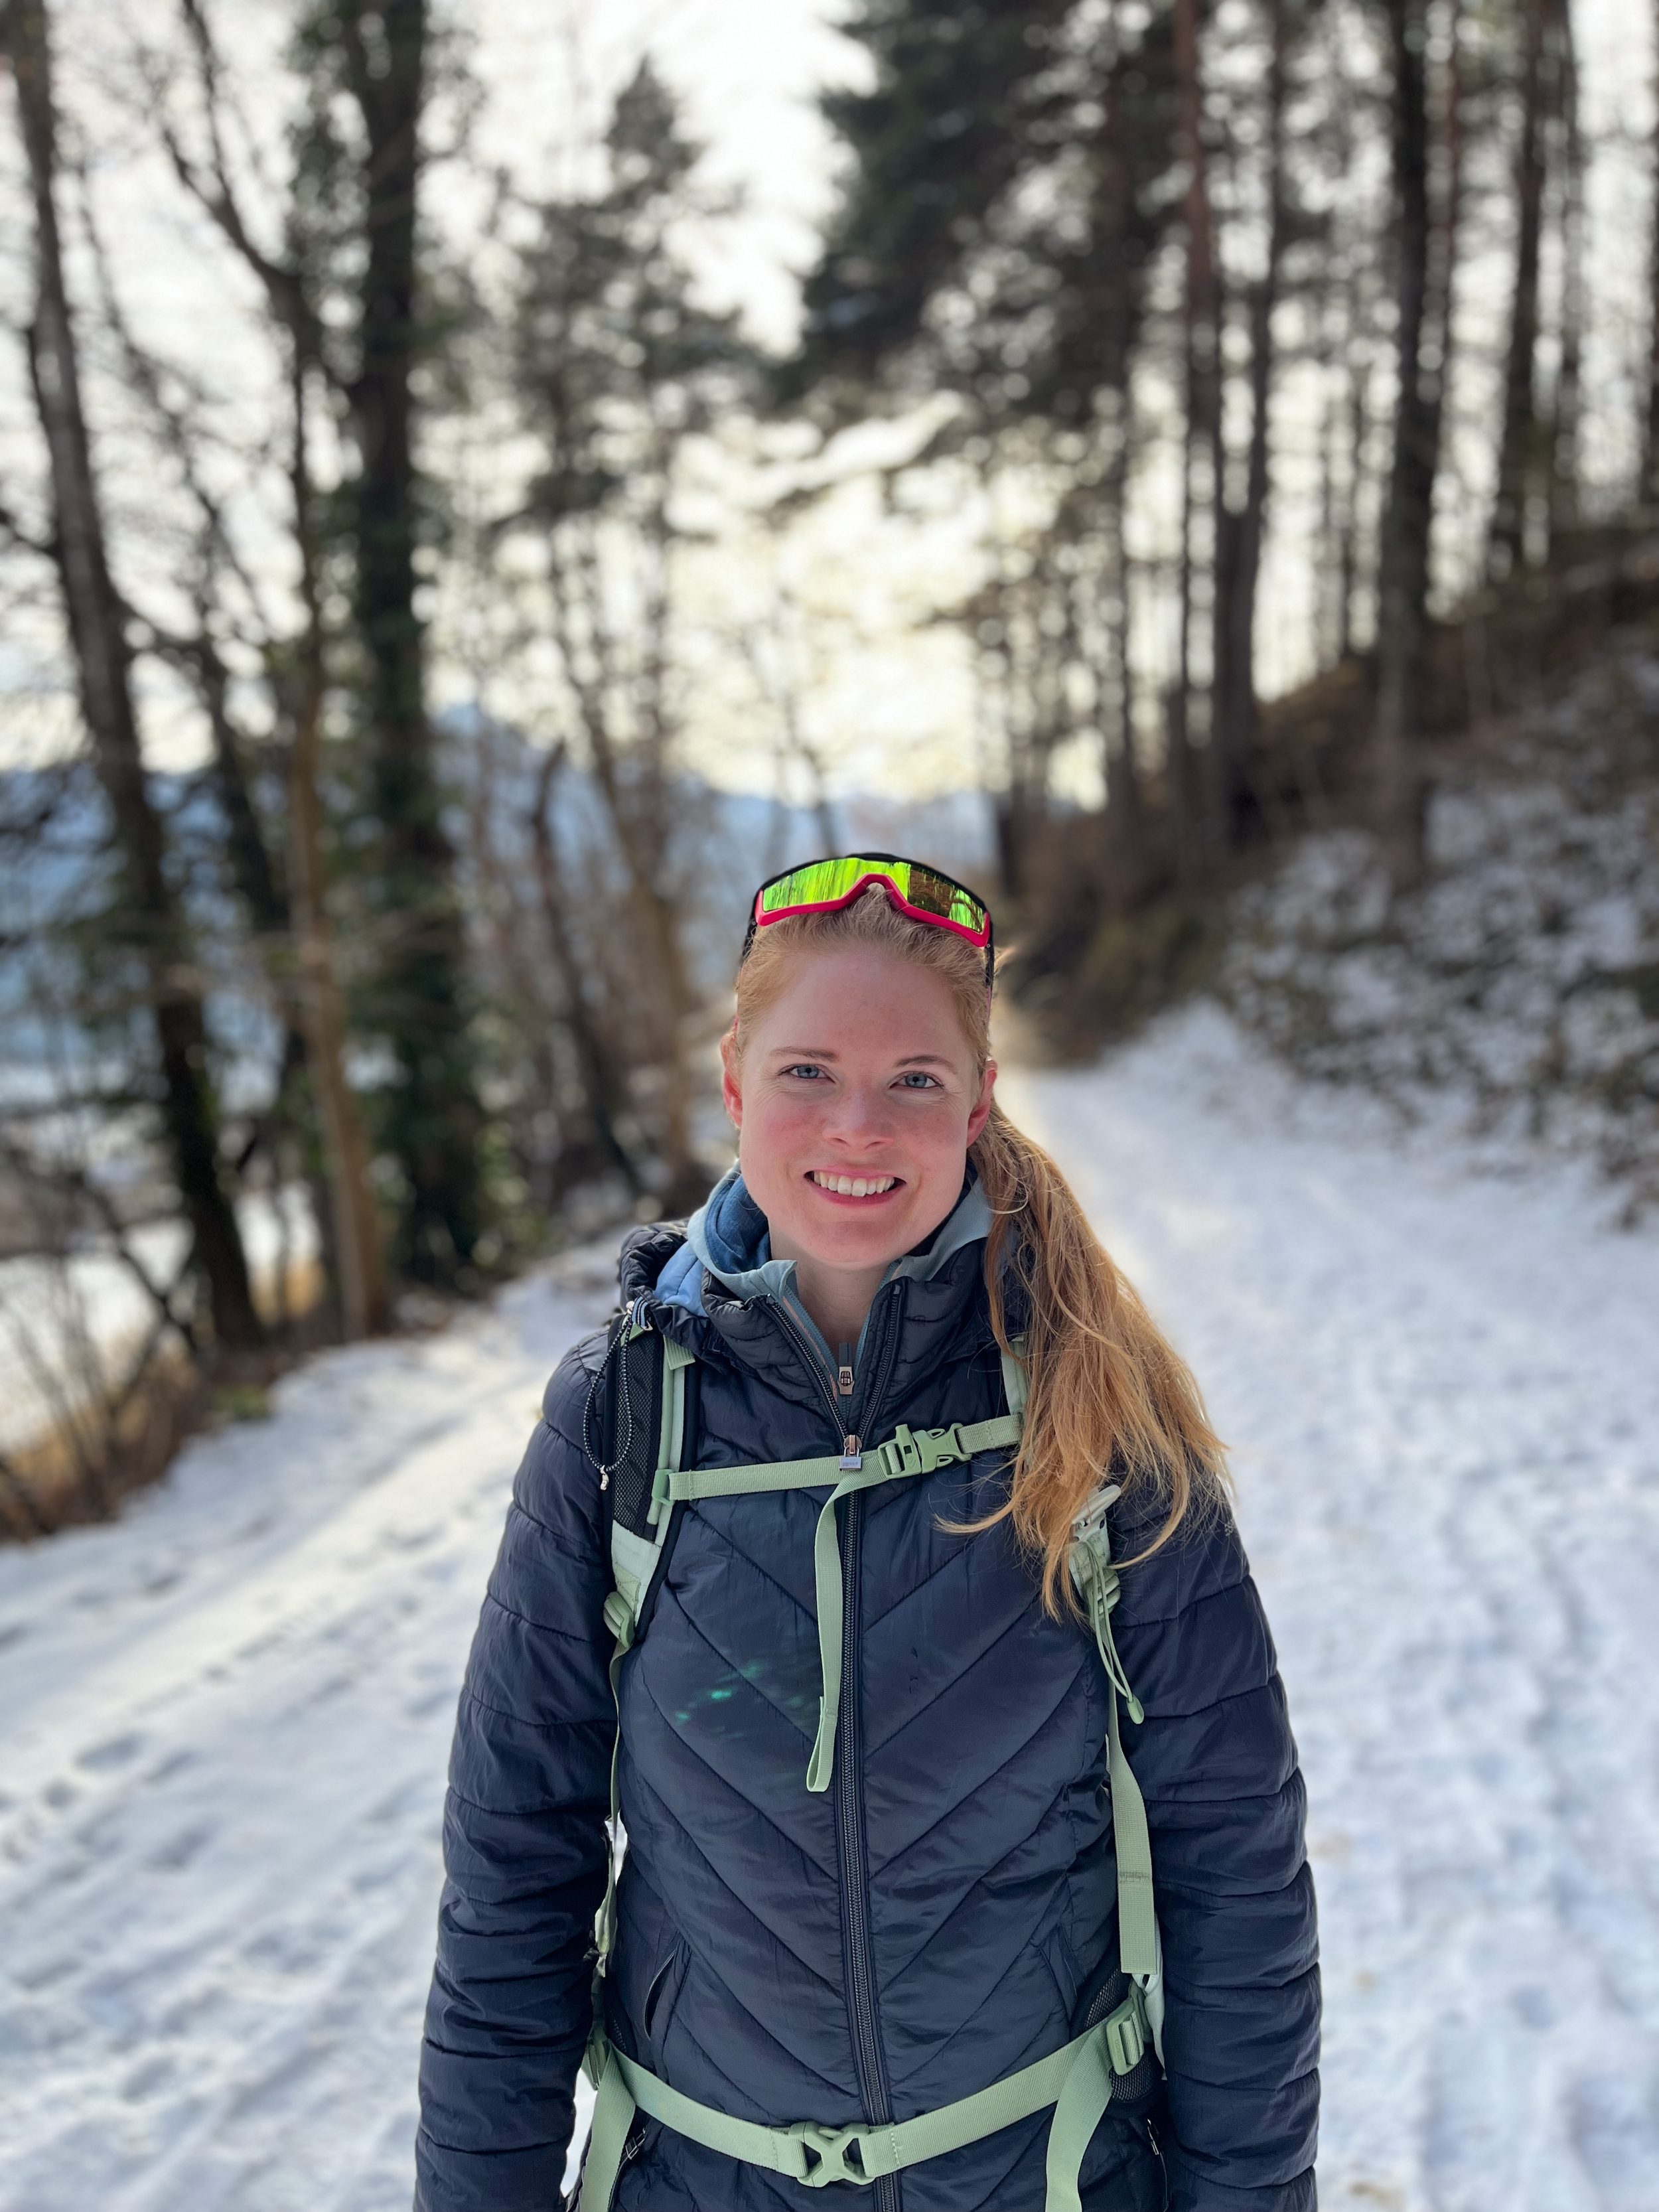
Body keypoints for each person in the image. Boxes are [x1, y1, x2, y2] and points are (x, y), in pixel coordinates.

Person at [415, 856, 1319, 2212]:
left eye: (911, 1079)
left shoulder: (1092, 1406)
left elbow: (1234, 1870)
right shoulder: (620, 1420)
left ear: (977, 1103)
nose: (857, 1125)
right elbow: (513, 1867)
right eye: (804, 1072)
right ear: (731, 1081)